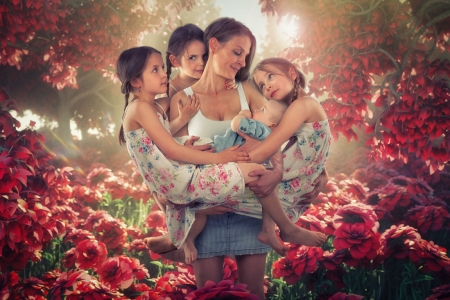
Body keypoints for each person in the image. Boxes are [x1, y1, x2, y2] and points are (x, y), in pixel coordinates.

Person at [163, 18, 328, 299]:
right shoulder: (182, 100)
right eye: (237, 52)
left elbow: (279, 132)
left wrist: (296, 171)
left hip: (252, 208)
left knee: (254, 295)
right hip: (207, 215)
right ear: (214, 45)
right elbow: (169, 161)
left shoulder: (248, 90)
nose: (243, 62)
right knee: (209, 295)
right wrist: (186, 207)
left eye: (246, 55)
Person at [116, 46, 326, 265]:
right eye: (155, 70)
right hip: (176, 178)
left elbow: (159, 141)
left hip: (176, 173)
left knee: (210, 146)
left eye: (162, 68)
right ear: (135, 81)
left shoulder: (153, 107)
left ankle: (176, 241)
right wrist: (220, 158)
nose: (163, 73)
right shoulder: (140, 108)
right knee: (255, 171)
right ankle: (286, 228)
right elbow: (170, 150)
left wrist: (186, 136)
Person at [164, 23, 236, 135]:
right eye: (192, 58)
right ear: (175, 61)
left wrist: (231, 82)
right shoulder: (169, 93)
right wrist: (182, 119)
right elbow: (161, 135)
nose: (201, 63)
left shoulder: (213, 78)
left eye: (205, 56)